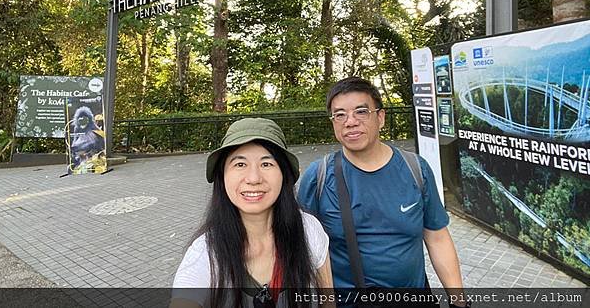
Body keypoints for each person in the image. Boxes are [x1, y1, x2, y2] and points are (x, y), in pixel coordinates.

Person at [297, 77, 468, 307]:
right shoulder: (318, 176)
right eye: (340, 115)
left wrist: (459, 302)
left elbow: (437, 237)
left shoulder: (415, 169)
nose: (350, 122)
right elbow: (298, 243)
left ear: (381, 117)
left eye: (361, 111)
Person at [171, 117, 334, 308]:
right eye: (240, 164)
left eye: (266, 164)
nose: (254, 178)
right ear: (222, 177)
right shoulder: (204, 254)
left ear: (284, 174)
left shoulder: (309, 230)